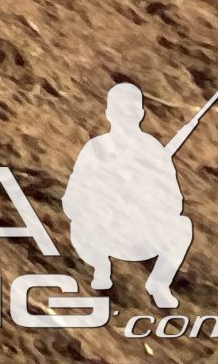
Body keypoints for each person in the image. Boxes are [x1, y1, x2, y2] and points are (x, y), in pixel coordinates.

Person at [64, 82, 196, 306]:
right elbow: (71, 201)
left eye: (131, 109)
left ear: (140, 113)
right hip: (103, 233)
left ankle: (159, 283)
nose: (125, 116)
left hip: (140, 235)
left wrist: (146, 197)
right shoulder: (95, 149)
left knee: (182, 227)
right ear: (109, 113)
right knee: (80, 225)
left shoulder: (153, 151)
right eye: (119, 109)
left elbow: (175, 203)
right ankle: (100, 268)